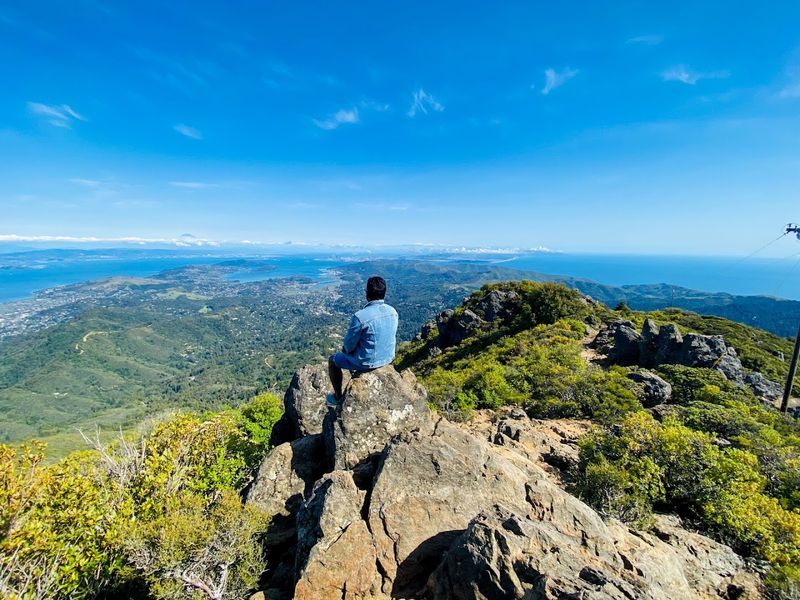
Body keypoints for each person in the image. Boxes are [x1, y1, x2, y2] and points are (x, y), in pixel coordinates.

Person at [327, 276, 398, 407]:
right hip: (388, 358)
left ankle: (337, 397)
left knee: (333, 360)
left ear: (367, 293)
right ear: (384, 292)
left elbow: (349, 345)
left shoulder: (360, 317)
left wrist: (346, 350)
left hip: (367, 362)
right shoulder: (393, 311)